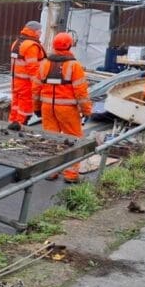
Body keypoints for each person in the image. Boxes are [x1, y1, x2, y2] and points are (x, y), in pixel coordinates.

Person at [32, 32, 92, 183]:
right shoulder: (74, 66)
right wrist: (87, 110)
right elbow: (81, 92)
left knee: (51, 139)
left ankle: (50, 172)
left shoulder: (44, 64)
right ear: (70, 46)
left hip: (47, 108)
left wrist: (37, 108)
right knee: (73, 140)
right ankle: (71, 175)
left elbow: (36, 88)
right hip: (67, 109)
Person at [8, 20, 46, 128]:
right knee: (25, 107)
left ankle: (12, 123)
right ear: (35, 32)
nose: (41, 33)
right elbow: (33, 67)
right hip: (26, 83)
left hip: (16, 81)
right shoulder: (31, 46)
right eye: (40, 31)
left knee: (15, 105)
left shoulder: (17, 42)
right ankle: (20, 125)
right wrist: (38, 85)